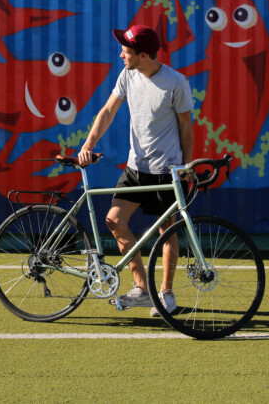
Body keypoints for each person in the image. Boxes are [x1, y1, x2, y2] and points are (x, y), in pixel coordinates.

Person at [77, 24, 194, 317]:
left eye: (126, 52)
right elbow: (107, 111)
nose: (121, 55)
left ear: (144, 55)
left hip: (165, 171)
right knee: (114, 221)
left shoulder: (176, 83)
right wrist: (87, 145)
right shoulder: (127, 75)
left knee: (168, 233)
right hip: (135, 167)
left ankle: (166, 294)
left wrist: (185, 166)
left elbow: (185, 126)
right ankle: (142, 289)